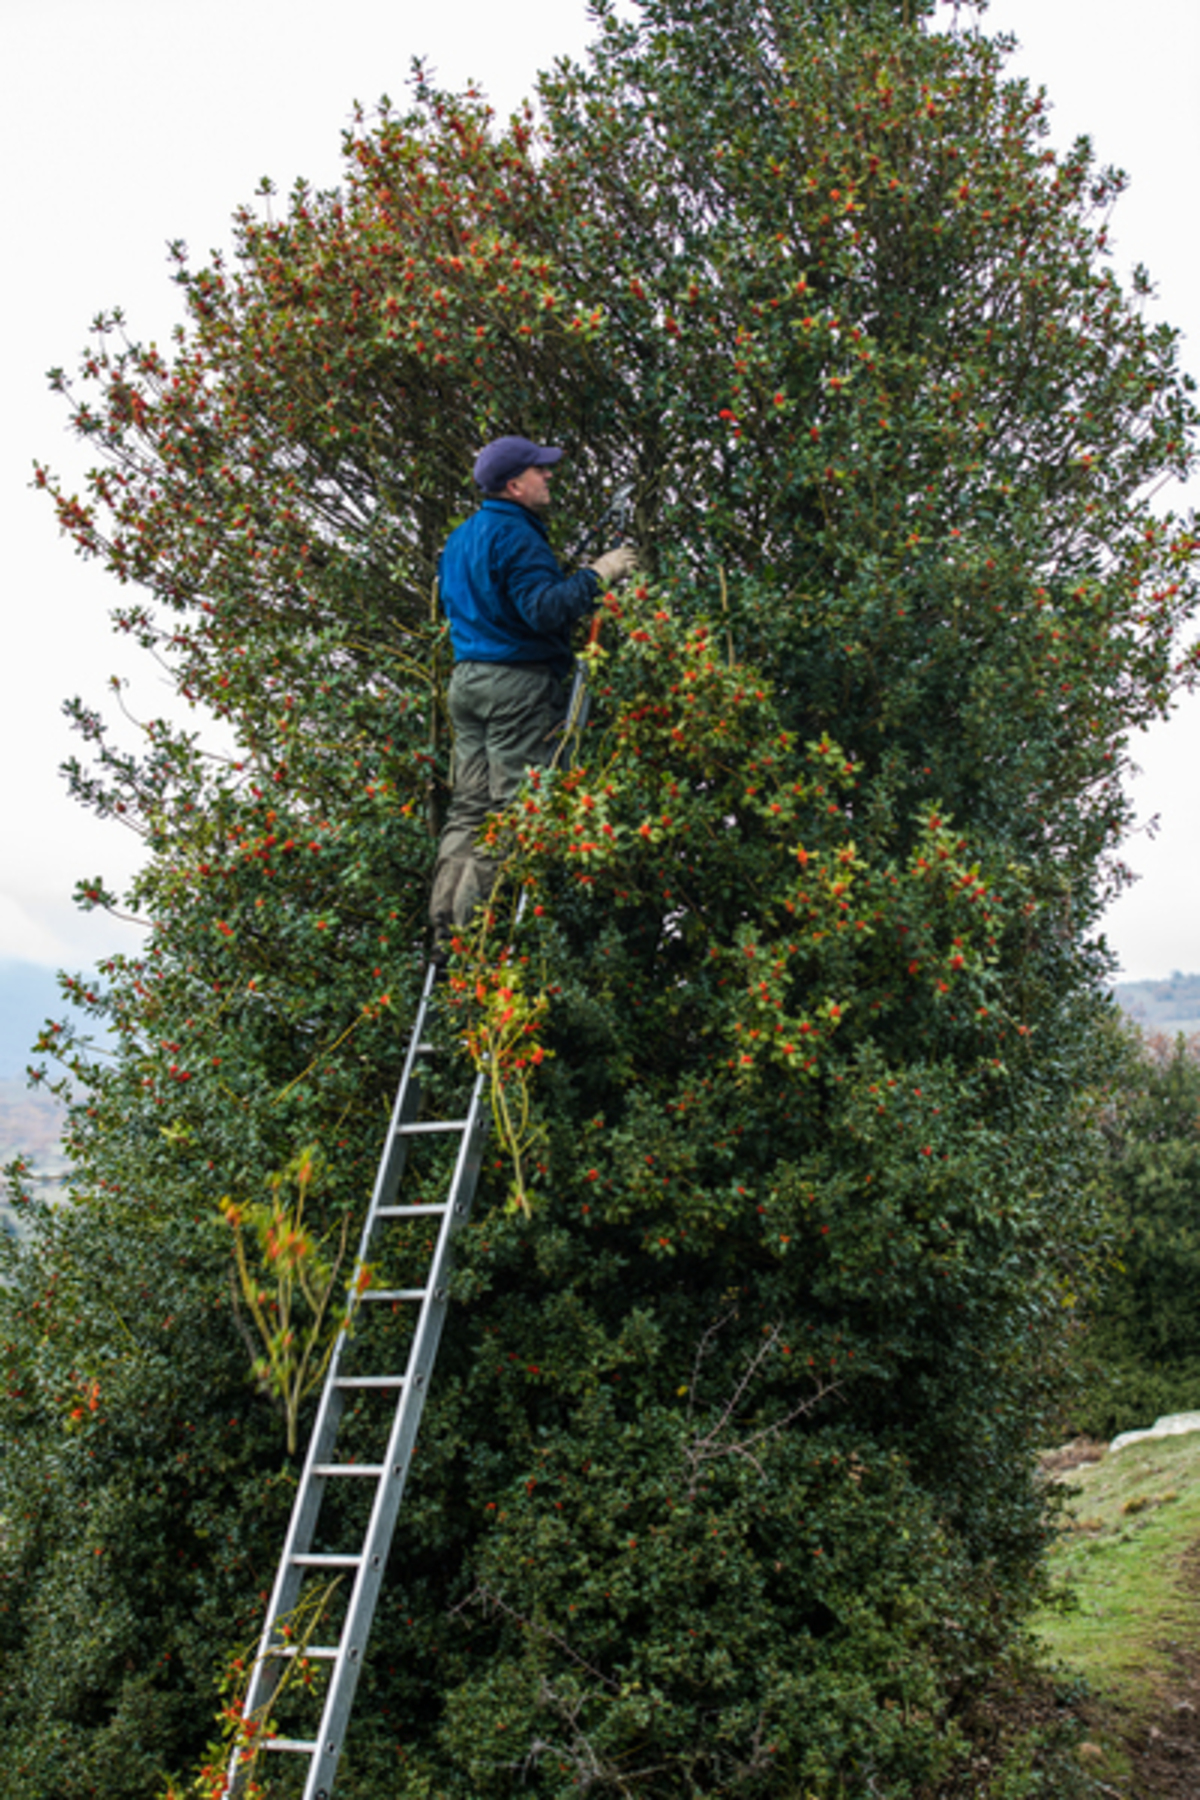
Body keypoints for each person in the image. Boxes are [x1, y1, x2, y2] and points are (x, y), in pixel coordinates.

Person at [428, 435, 636, 954]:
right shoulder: (517, 538)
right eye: (540, 472)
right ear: (514, 485)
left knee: (469, 809)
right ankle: (474, 930)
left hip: (467, 683)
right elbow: (543, 610)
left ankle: (442, 923)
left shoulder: (460, 539)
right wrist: (600, 573)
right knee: (513, 807)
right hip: (513, 685)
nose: (549, 478)